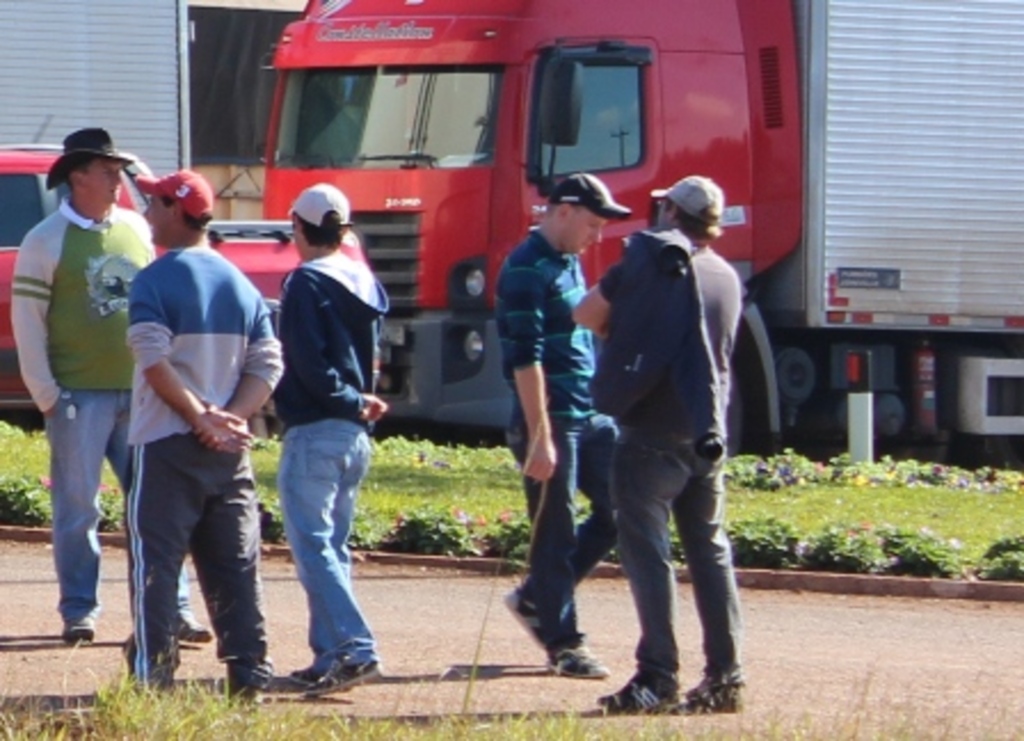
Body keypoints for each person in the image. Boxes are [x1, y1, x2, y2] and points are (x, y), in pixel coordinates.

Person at [10, 128, 210, 646]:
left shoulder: (136, 230)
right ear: (78, 175)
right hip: (79, 395)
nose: (117, 179)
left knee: (156, 506)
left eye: (118, 170)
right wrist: (48, 394)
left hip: (141, 394)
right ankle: (80, 609)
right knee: (78, 510)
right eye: (106, 170)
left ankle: (175, 608)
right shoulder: (45, 240)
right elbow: (29, 323)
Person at [573, 175, 745, 714]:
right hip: (706, 431)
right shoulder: (726, 277)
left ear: (670, 211)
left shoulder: (650, 266)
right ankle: (725, 677)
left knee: (649, 554)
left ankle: (657, 676)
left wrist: (627, 339)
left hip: (650, 431)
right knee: (710, 552)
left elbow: (586, 314)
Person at [124, 169, 283, 696]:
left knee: (157, 565)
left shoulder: (152, 279)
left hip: (166, 444)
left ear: (174, 209)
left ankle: (155, 674)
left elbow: (153, 360)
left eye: (153, 204)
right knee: (236, 564)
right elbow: (268, 363)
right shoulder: (241, 283)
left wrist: (200, 417)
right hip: (229, 453)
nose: (146, 214)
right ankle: (249, 674)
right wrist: (232, 418)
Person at [495, 172, 630, 679]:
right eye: (592, 225)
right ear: (563, 211)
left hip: (589, 414)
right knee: (555, 533)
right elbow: (524, 361)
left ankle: (538, 597)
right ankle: (564, 643)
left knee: (620, 509)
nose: (596, 237)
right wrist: (540, 436)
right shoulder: (525, 269)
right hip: (550, 421)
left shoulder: (566, 260)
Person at [273, 184, 390, 697]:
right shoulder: (363, 281)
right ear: (343, 231)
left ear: (300, 227)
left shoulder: (304, 284)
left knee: (312, 546)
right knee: (333, 547)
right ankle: (328, 655)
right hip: (354, 434)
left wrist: (345, 398)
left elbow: (308, 363)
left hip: (316, 427)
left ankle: (356, 647)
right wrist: (361, 400)